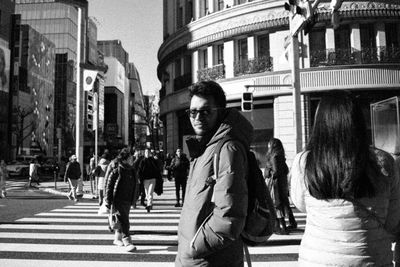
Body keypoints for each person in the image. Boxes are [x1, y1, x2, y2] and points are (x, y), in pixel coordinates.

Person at [290, 90, 400, 266]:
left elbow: (300, 204)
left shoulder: (305, 161)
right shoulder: (384, 162)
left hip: (319, 259)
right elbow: (393, 221)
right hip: (371, 258)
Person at [175, 81, 252, 267]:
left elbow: (229, 218)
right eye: (193, 112)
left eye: (205, 111)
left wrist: (194, 247)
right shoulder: (204, 147)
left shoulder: (227, 149)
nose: (197, 117)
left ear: (220, 111)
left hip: (210, 260)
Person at [105, 148, 138, 252]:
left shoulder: (131, 170)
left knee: (122, 219)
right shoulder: (118, 169)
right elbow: (109, 185)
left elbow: (135, 184)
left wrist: (135, 198)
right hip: (118, 199)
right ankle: (127, 241)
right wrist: (108, 200)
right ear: (124, 159)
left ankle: (117, 239)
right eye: (130, 158)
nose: (132, 160)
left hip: (128, 199)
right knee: (124, 221)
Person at [264, 138, 296, 235]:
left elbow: (276, 171)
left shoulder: (274, 156)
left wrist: (268, 172)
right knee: (283, 203)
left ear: (272, 145)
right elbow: (285, 170)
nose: (268, 146)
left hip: (275, 185)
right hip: (281, 183)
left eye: (269, 144)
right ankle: (290, 223)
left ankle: (282, 227)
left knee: (276, 204)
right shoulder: (280, 156)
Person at [137, 148, 162, 212]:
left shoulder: (153, 160)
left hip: (152, 179)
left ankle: (149, 205)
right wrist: (139, 178)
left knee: (150, 192)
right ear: (144, 153)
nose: (147, 153)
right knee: (147, 193)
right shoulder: (142, 161)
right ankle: (150, 204)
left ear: (150, 153)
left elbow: (158, 168)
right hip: (145, 180)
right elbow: (139, 170)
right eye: (146, 152)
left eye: (148, 152)